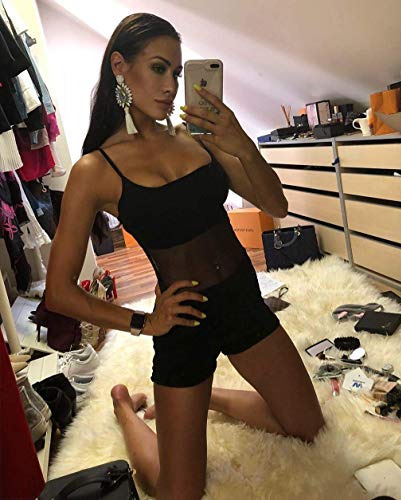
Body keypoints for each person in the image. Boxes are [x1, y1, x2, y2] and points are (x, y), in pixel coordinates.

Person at [46, 13, 324, 500]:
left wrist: (241, 144)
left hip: (242, 300)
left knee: (309, 428)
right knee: (181, 492)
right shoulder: (94, 170)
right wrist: (142, 322)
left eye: (176, 72)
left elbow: (276, 205)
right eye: (159, 68)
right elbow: (59, 292)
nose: (172, 85)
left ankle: (210, 398)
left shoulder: (195, 138)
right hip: (184, 322)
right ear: (119, 66)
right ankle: (125, 409)